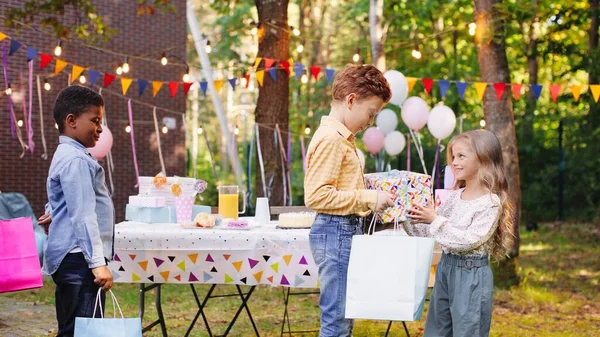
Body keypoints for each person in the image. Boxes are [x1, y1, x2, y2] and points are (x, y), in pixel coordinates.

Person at [304, 64, 395, 337]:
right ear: (352, 100)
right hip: (336, 232)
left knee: (344, 317)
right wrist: (368, 197)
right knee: (336, 321)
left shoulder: (342, 139)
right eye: (371, 113)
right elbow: (317, 196)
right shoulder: (332, 140)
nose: (370, 121)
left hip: (342, 232)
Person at [406, 129, 515, 337]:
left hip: (471, 275)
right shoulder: (455, 198)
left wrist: (434, 219)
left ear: (483, 159)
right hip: (446, 269)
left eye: (461, 156)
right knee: (437, 331)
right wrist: (407, 215)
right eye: (453, 157)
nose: (454, 162)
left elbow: (469, 241)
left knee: (467, 331)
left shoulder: (490, 203)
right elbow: (431, 231)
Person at [42, 85, 114, 337]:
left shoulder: (67, 154)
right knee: (84, 331)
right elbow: (84, 215)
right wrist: (97, 264)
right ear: (71, 121)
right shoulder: (76, 161)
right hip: (80, 260)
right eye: (95, 120)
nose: (100, 128)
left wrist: (55, 212)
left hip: (72, 259)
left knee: (72, 329)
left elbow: (65, 198)